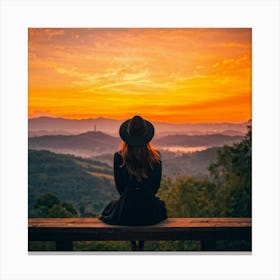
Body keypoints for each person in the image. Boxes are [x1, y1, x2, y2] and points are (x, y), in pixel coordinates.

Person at [99, 115, 167, 250]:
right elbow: (155, 187)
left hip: (127, 207)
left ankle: (133, 244)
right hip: (149, 209)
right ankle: (141, 244)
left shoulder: (119, 157)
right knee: (157, 207)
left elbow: (120, 188)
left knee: (112, 208)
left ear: (127, 136)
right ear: (146, 136)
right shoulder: (156, 157)